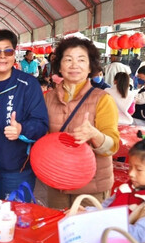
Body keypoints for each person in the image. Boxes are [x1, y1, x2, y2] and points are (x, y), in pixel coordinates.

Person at [0, 30, 48, 200]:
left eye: (8, 51)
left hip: (19, 170)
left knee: (17, 220)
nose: (2, 56)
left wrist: (21, 129)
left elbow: (41, 124)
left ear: (14, 55)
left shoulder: (28, 85)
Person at [44, 37, 119, 209]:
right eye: (68, 59)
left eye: (81, 60)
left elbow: (112, 146)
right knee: (58, 230)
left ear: (90, 66)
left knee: (88, 234)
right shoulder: (47, 98)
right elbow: (41, 136)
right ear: (60, 66)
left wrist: (95, 135)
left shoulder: (103, 99)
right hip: (57, 182)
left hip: (91, 186)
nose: (74, 65)